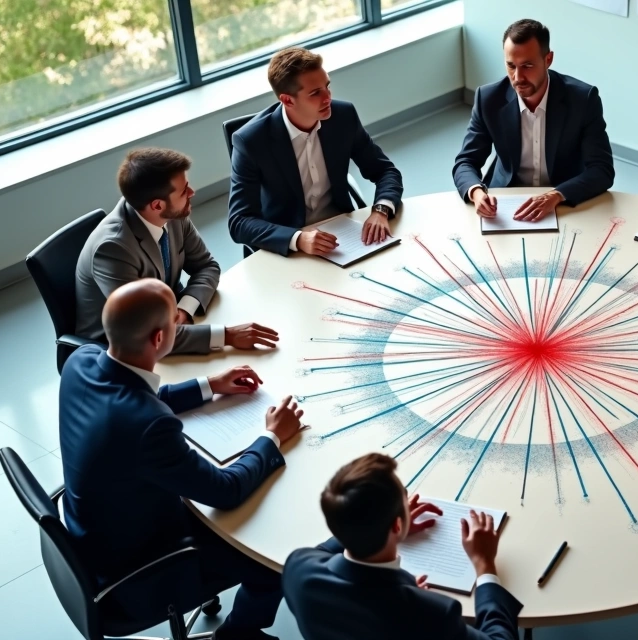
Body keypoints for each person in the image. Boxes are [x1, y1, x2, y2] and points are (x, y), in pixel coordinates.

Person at [59, 279, 305, 640]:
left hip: (92, 534)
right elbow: (226, 490)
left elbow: (132, 393)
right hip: (138, 572)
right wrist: (272, 437)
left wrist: (209, 385)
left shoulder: (80, 360)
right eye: (176, 320)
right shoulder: (149, 427)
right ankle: (236, 635)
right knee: (273, 558)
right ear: (159, 338)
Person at [282, 453, 523, 639]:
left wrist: (379, 526)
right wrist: (484, 564)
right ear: (398, 525)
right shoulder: (431, 614)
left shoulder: (297, 567)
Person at [76, 148, 279, 355]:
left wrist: (184, 310)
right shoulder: (113, 249)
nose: (192, 193)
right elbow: (146, 335)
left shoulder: (172, 215)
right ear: (157, 205)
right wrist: (227, 336)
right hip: (116, 349)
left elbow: (207, 266)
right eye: (184, 191)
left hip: (168, 321)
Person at [228, 47, 403, 256]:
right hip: (290, 244)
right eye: (315, 93)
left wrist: (381, 211)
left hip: (344, 234)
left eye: (327, 86)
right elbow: (239, 221)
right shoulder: (251, 141)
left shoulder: (343, 116)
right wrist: (297, 239)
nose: (328, 97)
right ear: (287, 100)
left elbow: (385, 171)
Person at [453, 19, 614, 222]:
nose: (518, 77)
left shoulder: (583, 100)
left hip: (563, 200)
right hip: (504, 201)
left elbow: (602, 170)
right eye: (511, 66)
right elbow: (466, 161)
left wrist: (556, 195)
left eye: (527, 66)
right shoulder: (488, 99)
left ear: (548, 59)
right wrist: (476, 192)